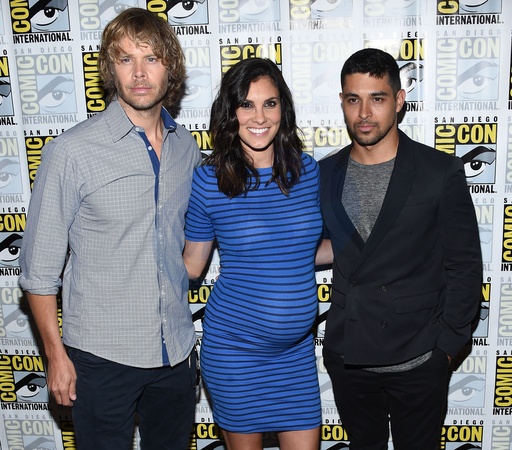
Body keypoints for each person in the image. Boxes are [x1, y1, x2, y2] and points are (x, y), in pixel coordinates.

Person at [19, 8, 201, 449]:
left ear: (170, 68)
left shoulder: (187, 148)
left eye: (151, 58)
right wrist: (55, 357)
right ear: (110, 68)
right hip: (101, 358)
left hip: (175, 352)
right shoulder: (72, 151)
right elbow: (38, 272)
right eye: (125, 59)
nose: (139, 73)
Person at [319, 48, 482, 450]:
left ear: (399, 100)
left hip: (420, 357)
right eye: (353, 99)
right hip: (350, 356)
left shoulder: (438, 171)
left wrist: (446, 349)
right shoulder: (324, 174)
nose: (364, 113)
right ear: (342, 101)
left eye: (377, 98)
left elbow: (464, 266)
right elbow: (318, 244)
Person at [183, 57, 322, 450]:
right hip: (235, 354)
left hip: (295, 356)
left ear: (283, 109)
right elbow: (192, 265)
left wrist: (375, 249)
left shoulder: (307, 171)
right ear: (230, 112)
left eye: (269, 103)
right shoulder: (209, 180)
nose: (259, 117)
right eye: (246, 104)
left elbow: (301, 250)